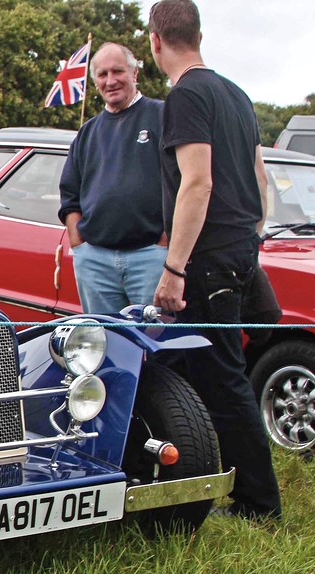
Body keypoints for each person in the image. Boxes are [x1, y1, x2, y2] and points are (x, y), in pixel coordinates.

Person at [149, 0, 281, 520]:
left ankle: (257, 501)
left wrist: (174, 267)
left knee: (223, 379)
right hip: (240, 250)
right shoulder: (236, 94)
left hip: (207, 261)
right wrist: (251, 240)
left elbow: (197, 183)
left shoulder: (185, 96)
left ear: (155, 41)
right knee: (187, 365)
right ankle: (185, 469)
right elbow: (259, 179)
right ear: (198, 35)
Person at [58, 43, 166, 314]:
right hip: (95, 260)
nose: (111, 80)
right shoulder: (88, 132)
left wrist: (165, 243)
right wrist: (79, 244)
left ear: (134, 73)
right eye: (102, 74)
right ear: (95, 82)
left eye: (118, 71)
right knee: (103, 345)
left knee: (153, 347)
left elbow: (183, 182)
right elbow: (69, 195)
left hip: (150, 257)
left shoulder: (163, 116)